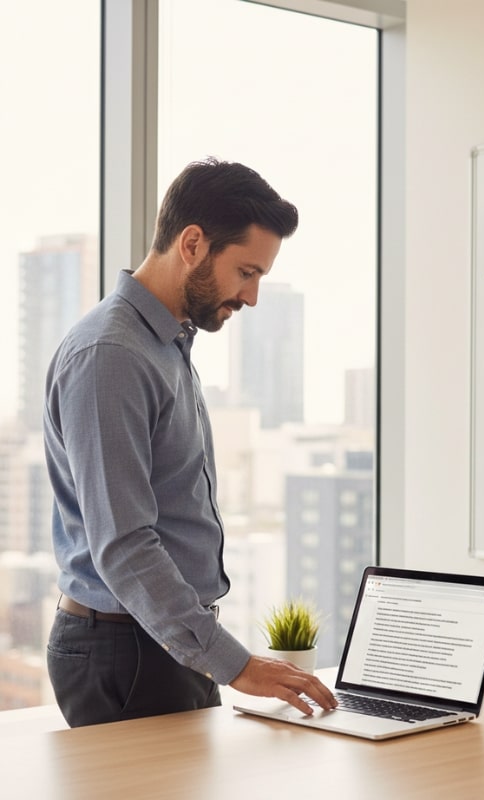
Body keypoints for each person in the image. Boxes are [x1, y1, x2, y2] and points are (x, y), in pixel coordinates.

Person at [43, 157, 338, 727]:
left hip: (161, 642)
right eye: (246, 272)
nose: (251, 297)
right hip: (126, 650)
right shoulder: (113, 356)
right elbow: (124, 543)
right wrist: (235, 663)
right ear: (194, 243)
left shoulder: (164, 345)